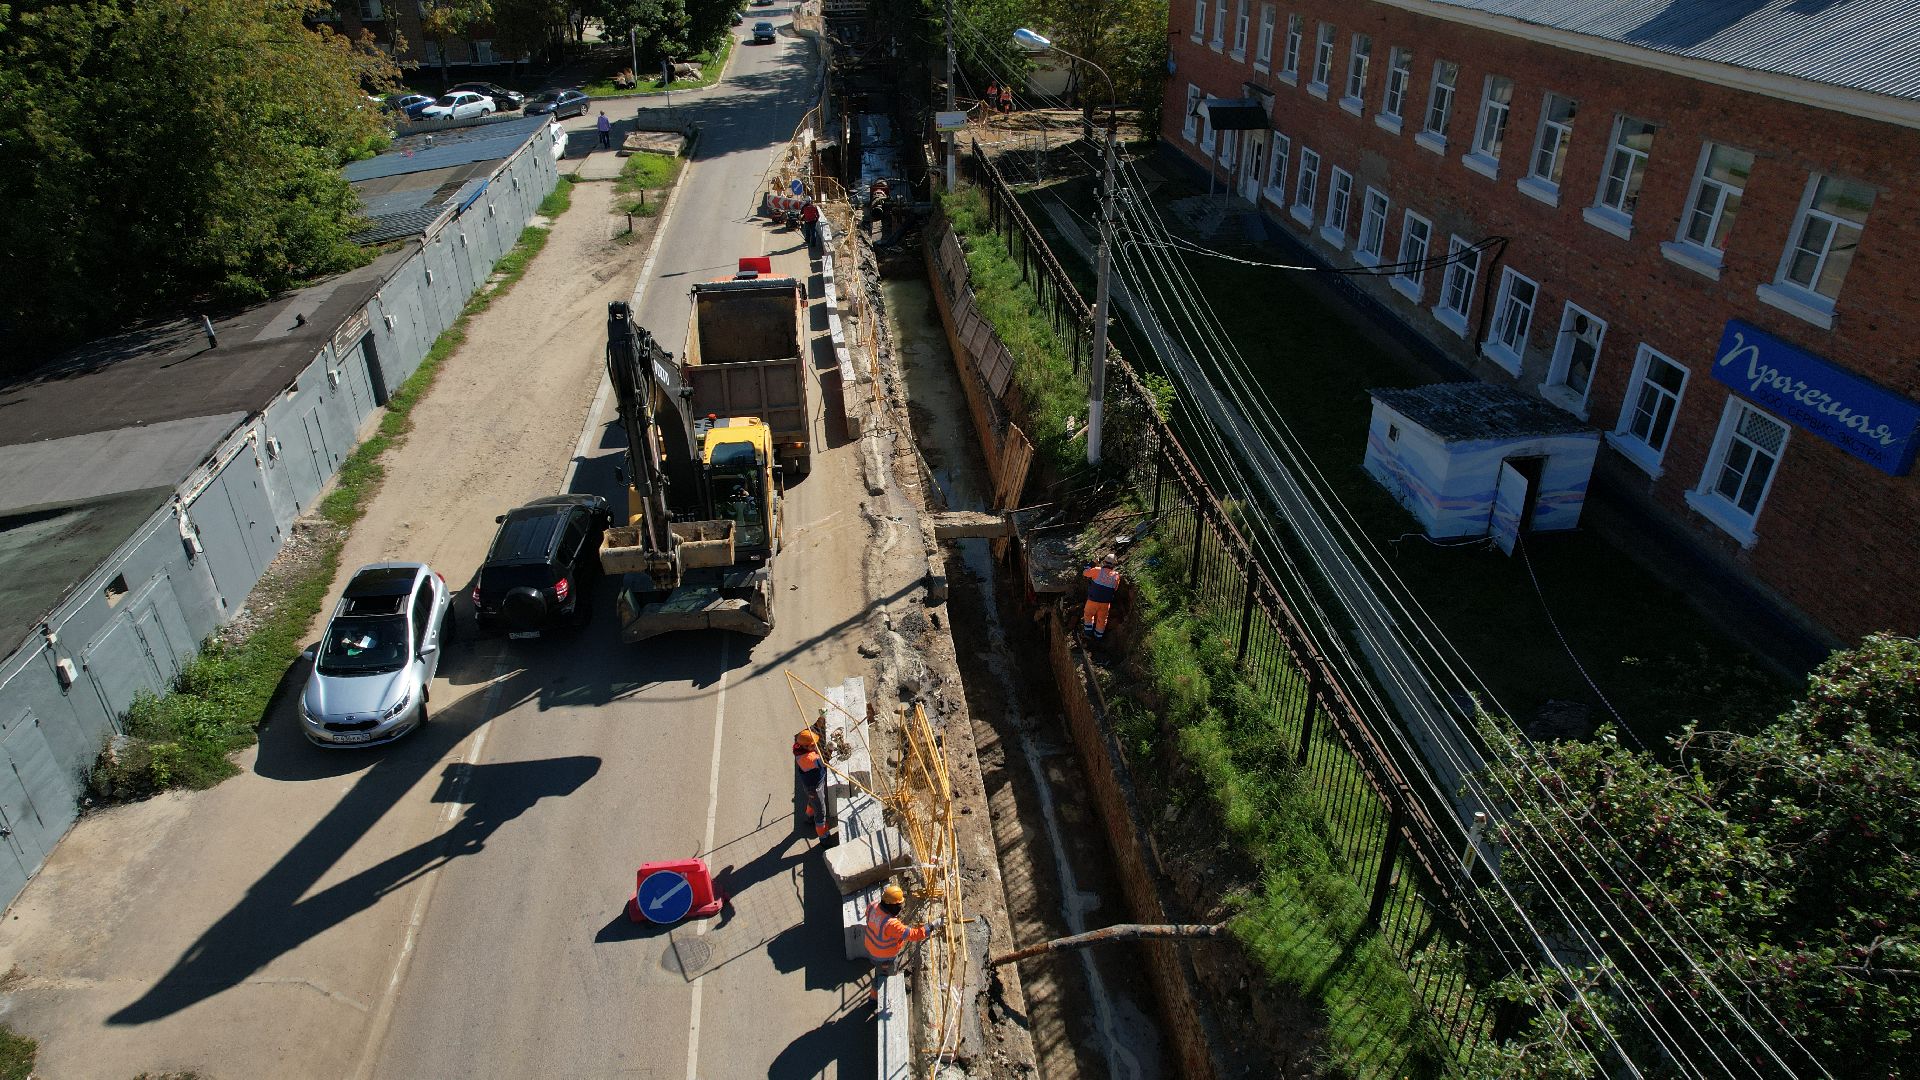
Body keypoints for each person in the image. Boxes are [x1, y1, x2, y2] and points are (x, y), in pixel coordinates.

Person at [863, 882, 942, 1014]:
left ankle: (876, 994)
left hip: (870, 947)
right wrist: (933, 925)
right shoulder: (892, 924)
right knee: (883, 976)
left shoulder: (872, 906)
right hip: (884, 957)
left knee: (880, 972)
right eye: (899, 905)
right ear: (892, 905)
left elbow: (870, 919)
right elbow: (913, 935)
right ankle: (874, 999)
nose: (900, 907)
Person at [792, 727, 829, 838]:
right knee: (821, 812)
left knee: (813, 801)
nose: (815, 747)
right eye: (813, 745)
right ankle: (823, 836)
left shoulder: (800, 748)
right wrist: (830, 749)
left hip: (813, 785)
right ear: (806, 746)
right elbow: (824, 762)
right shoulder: (807, 758)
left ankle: (809, 817)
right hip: (815, 786)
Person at [1081, 552, 1121, 639]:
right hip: (1106, 603)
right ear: (1114, 565)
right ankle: (1098, 638)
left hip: (1093, 600)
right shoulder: (1117, 576)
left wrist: (1092, 563)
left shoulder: (1097, 570)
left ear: (1104, 562)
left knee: (1088, 615)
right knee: (1102, 620)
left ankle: (1088, 635)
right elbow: (1115, 589)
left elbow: (1085, 573)